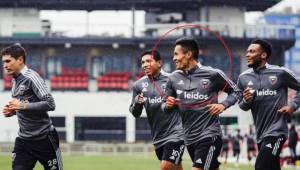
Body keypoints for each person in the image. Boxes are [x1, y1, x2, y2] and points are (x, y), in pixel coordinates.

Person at [162, 37, 241, 170]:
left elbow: (237, 91)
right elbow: (164, 107)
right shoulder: (173, 78)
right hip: (189, 138)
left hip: (209, 135)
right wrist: (167, 105)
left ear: (188, 54)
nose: (174, 58)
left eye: (176, 54)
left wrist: (223, 105)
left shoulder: (213, 74)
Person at [237, 39, 300, 170]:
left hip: (277, 132)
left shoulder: (281, 73)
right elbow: (242, 106)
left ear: (263, 55)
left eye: (252, 51)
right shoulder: (243, 78)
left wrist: (292, 106)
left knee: (261, 166)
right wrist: (246, 101)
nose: (247, 54)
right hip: (260, 133)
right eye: (247, 51)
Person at [1, 44, 63, 170]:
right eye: (3, 62)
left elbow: (50, 103)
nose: (5, 65)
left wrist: (22, 106)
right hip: (24, 140)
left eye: (8, 61)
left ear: (20, 60)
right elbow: (26, 104)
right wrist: (14, 110)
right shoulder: (15, 80)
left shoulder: (32, 77)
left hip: (44, 139)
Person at [129, 50, 185, 170]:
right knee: (175, 167)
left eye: (148, 61)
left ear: (159, 63)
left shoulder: (173, 80)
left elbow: (187, 102)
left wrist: (176, 102)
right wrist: (138, 104)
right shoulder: (138, 85)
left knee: (165, 167)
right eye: (142, 62)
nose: (144, 65)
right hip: (158, 137)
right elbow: (135, 113)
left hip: (177, 134)